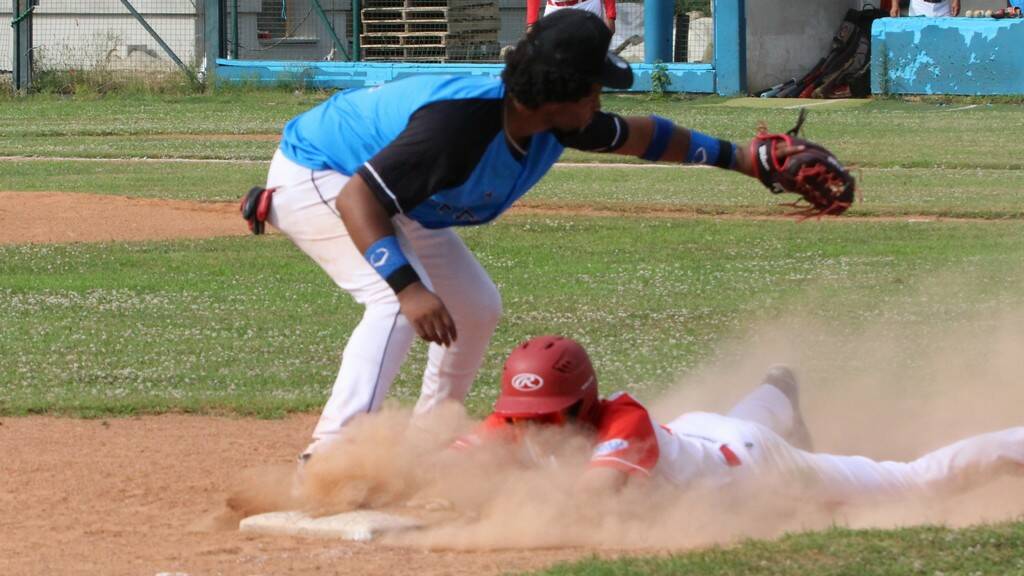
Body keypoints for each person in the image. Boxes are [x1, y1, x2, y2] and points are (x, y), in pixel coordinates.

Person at [263, 9, 828, 462]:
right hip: (321, 174)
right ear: (561, 89)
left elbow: (645, 137)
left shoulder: (551, 121)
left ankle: (426, 443)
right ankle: (328, 458)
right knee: (393, 302)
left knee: (477, 306)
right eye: (593, 88)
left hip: (402, 195)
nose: (600, 100)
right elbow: (357, 199)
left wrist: (742, 161)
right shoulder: (460, 127)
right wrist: (411, 289)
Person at [457, 335, 1024, 504]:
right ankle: (778, 393)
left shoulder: (621, 422)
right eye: (522, 415)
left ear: (583, 402)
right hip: (702, 433)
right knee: (732, 424)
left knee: (913, 482)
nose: (530, 426)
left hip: (753, 465)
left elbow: (592, 497)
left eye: (545, 415)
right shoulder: (514, 422)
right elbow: (444, 458)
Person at [526, 0, 616, 34]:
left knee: (589, 53)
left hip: (587, 6)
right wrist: (532, 23)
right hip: (554, 7)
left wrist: (610, 16)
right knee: (550, 55)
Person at [890, 0, 960, 17]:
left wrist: (956, 0)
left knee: (945, 37)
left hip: (943, 5)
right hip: (919, 6)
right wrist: (895, 4)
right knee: (917, 38)